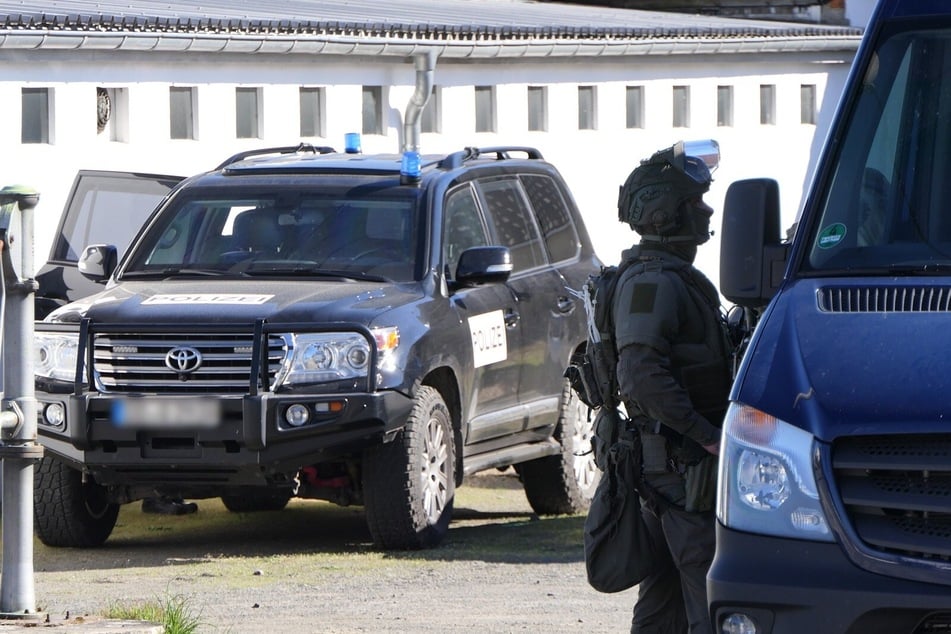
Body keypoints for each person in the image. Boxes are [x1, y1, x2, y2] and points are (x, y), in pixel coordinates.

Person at [612, 142, 734, 633]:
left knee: (662, 605)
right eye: (694, 202)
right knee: (709, 597)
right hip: (679, 470)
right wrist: (705, 435)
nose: (706, 210)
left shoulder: (673, 278)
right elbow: (639, 373)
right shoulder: (653, 283)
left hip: (672, 468)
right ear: (667, 214)